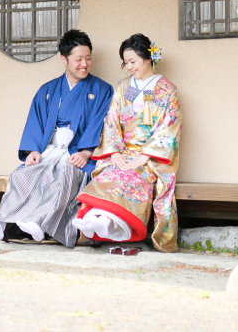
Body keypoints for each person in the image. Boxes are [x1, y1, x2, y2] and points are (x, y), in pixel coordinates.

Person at [0, 30, 113, 247]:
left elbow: (102, 124)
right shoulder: (48, 90)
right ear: (64, 59)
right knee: (21, 174)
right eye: (78, 59)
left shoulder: (102, 90)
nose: (85, 64)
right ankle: (1, 223)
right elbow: (36, 122)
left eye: (88, 58)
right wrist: (33, 151)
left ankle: (40, 225)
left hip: (78, 153)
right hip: (49, 150)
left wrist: (87, 152)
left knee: (65, 174)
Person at [74, 34, 182, 252]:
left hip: (150, 156)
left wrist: (144, 156)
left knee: (133, 177)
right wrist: (114, 152)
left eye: (133, 61)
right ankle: (96, 222)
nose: (129, 67)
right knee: (109, 174)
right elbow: (111, 120)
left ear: (147, 57)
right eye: (126, 62)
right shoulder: (124, 88)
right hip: (122, 152)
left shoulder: (167, 89)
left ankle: (108, 224)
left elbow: (170, 127)